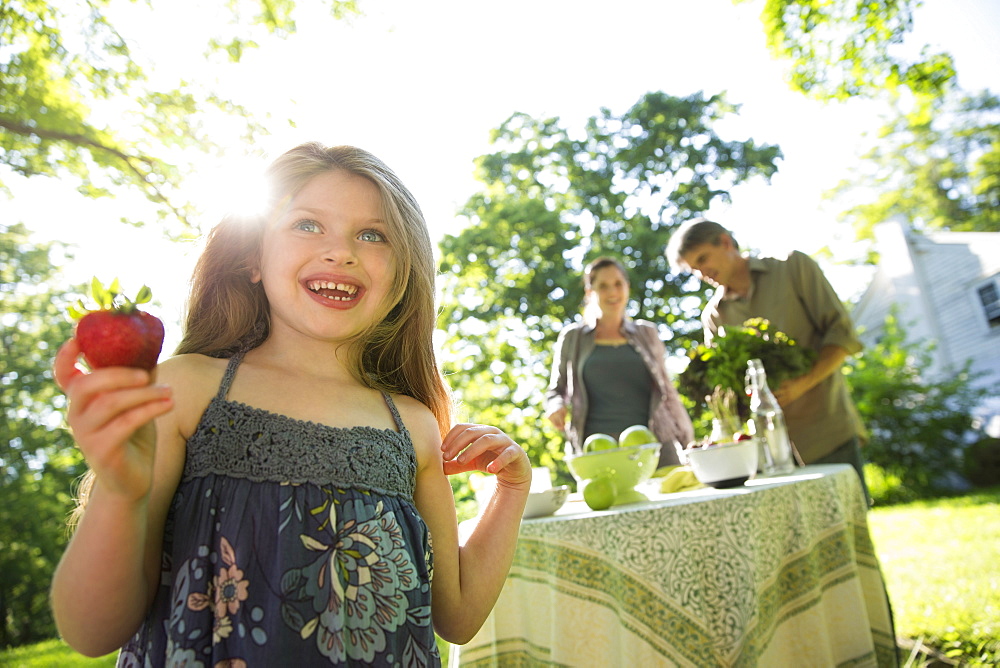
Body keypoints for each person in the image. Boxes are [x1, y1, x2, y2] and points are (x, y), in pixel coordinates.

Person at [49, 142, 531, 666]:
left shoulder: (413, 426)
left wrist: (512, 488)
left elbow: (457, 618)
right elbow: (91, 632)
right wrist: (120, 493)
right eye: (306, 224)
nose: (340, 251)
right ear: (253, 258)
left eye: (373, 234)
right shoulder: (185, 390)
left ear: (403, 276)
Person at [666, 218, 869, 497]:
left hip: (827, 431)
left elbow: (842, 335)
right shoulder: (714, 315)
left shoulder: (792, 267)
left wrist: (801, 384)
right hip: (766, 455)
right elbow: (726, 388)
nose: (703, 272)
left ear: (725, 242)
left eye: (703, 259)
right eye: (694, 269)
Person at [545, 256, 694, 468]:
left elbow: (666, 390)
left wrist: (686, 437)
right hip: (597, 448)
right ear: (590, 293)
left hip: (655, 443)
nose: (613, 292)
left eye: (618, 284)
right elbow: (556, 391)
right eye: (603, 286)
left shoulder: (647, 333)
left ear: (627, 287)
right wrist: (556, 407)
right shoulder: (573, 337)